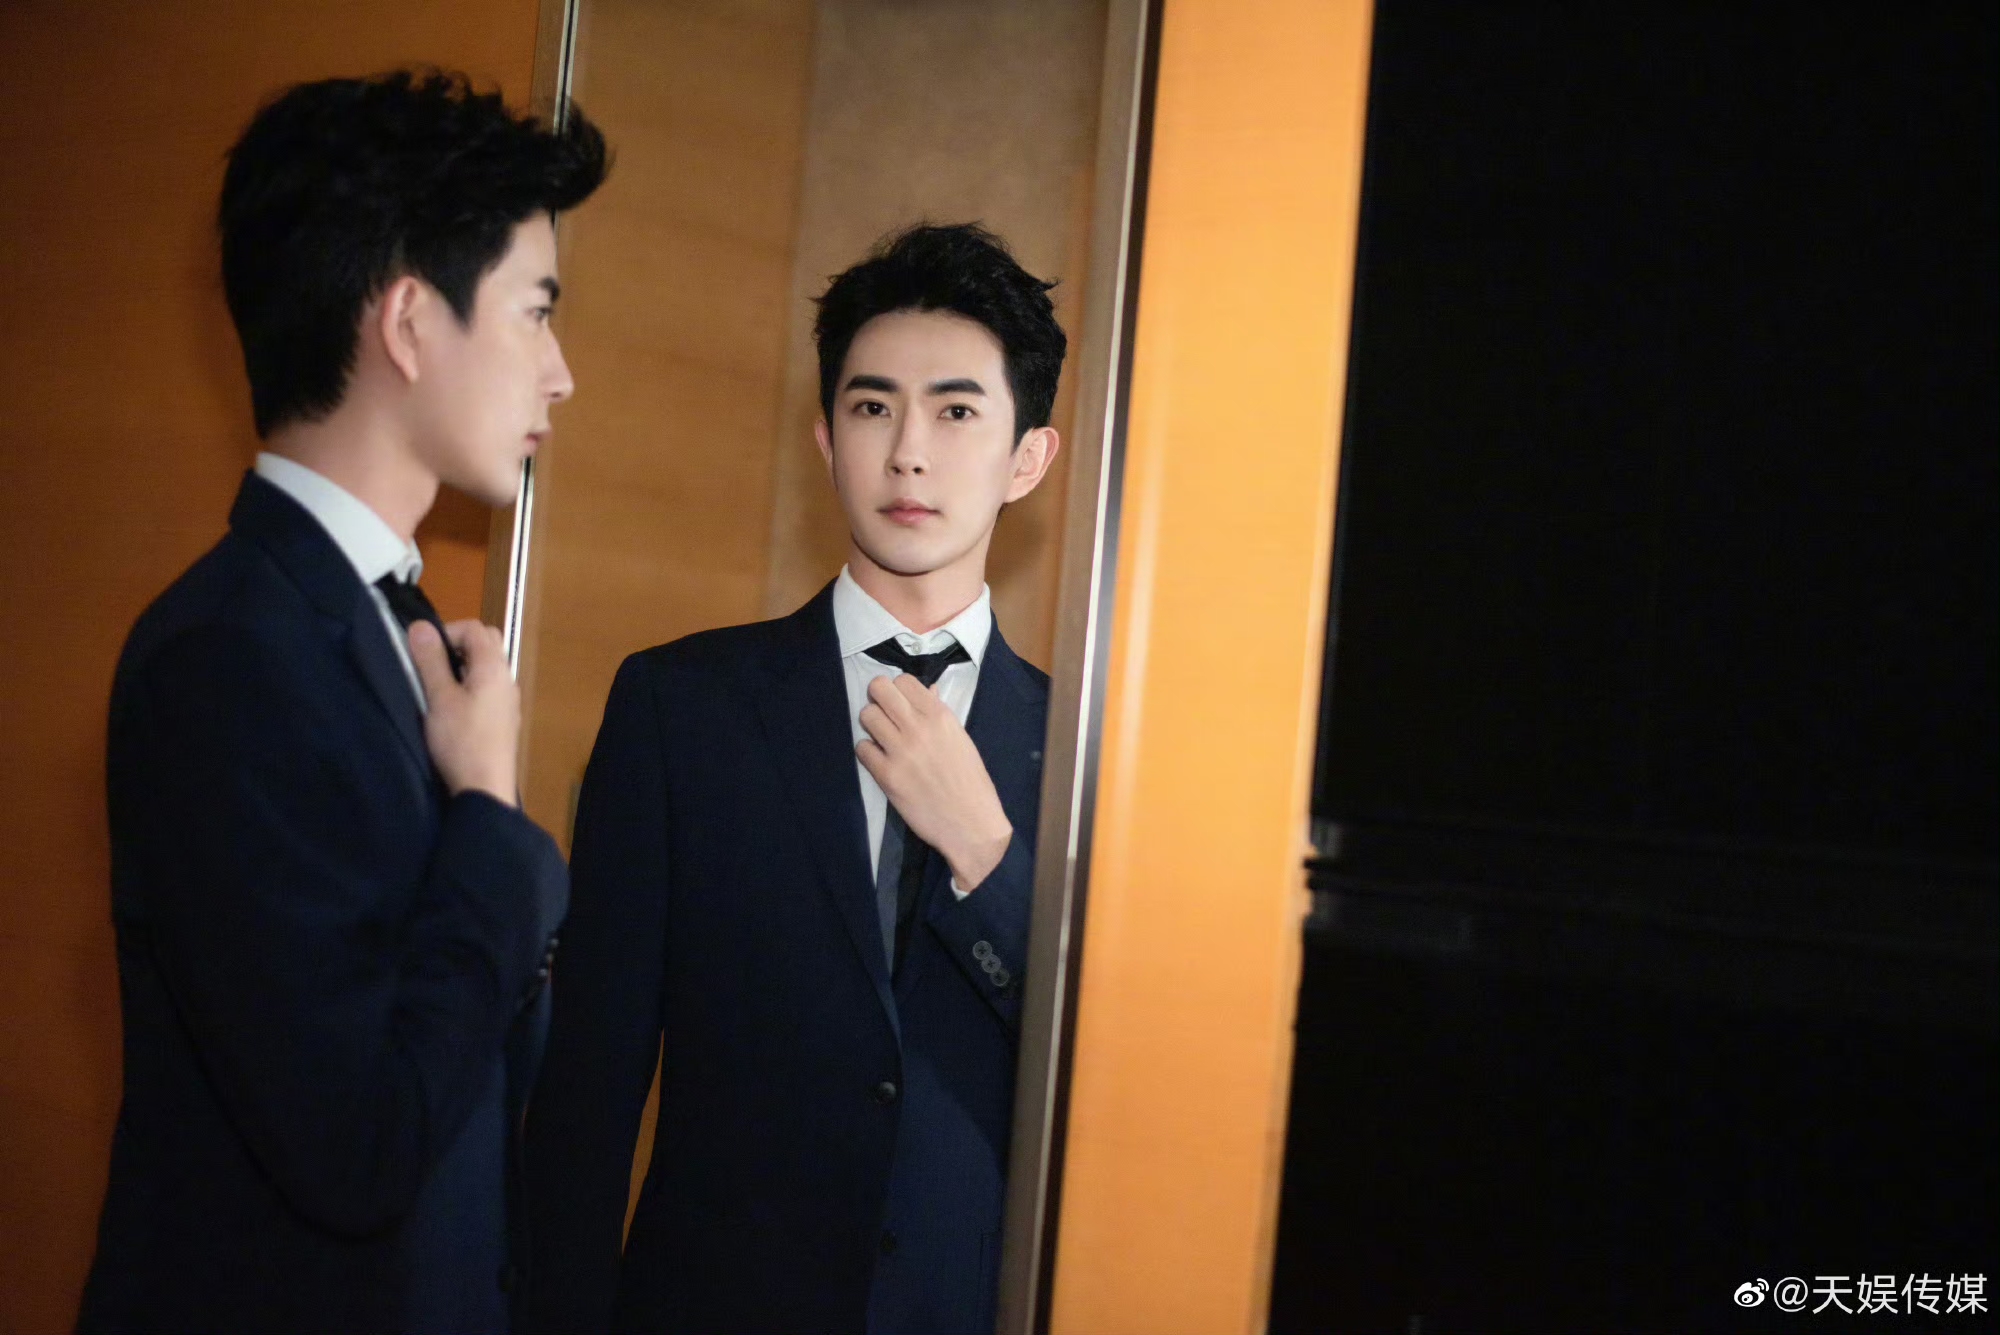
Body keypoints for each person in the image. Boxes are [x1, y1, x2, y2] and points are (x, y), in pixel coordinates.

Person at [77, 71, 607, 1335]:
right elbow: (357, 1143)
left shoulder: (387, 624)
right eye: (536, 312)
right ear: (411, 323)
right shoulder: (228, 657)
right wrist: (489, 818)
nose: (560, 374)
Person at [524, 223, 1064, 1335]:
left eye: (956, 412)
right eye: (872, 408)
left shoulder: (1083, 753)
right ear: (824, 438)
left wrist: (987, 855)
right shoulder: (681, 706)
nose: (907, 453)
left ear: (1028, 459)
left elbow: (1109, 1080)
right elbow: (588, 1082)